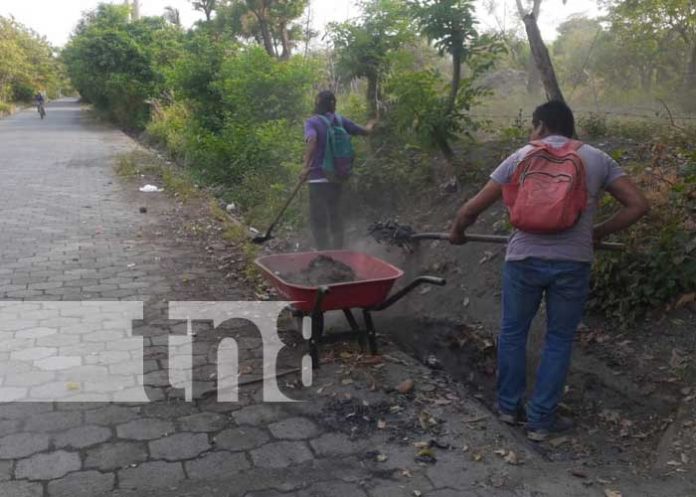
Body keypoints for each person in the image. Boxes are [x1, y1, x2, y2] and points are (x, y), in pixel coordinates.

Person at [449, 100, 649, 441]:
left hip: (523, 260)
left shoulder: (521, 156)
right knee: (558, 339)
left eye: (533, 126)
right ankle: (541, 420)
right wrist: (596, 232)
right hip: (573, 263)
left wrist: (457, 232)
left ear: (541, 126)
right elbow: (638, 205)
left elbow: (471, 209)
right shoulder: (597, 159)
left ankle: (508, 409)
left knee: (513, 333)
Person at [302, 91, 375, 250]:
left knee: (318, 219)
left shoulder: (312, 122)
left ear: (317, 103)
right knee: (335, 215)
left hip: (317, 178)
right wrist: (371, 123)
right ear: (333, 104)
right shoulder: (341, 120)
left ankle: (323, 254)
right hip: (336, 177)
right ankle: (338, 251)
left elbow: (312, 141)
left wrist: (305, 167)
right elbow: (365, 131)